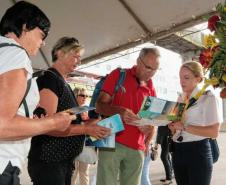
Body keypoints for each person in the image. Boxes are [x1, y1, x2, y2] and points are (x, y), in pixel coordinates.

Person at [0, 2, 73, 184]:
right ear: (25, 27)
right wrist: (53, 122)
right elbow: (2, 125)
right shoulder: (16, 55)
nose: (44, 42)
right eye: (42, 34)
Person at [27, 37, 111, 185]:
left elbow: (68, 119)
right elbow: (47, 125)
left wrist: (95, 123)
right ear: (60, 53)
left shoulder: (62, 82)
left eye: (80, 58)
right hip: (49, 161)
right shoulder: (50, 79)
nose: (79, 62)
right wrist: (86, 129)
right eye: (75, 57)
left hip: (61, 161)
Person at [96, 47, 160, 185]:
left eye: (155, 69)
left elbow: (152, 123)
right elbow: (99, 105)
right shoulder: (119, 74)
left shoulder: (151, 87)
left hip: (137, 147)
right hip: (110, 138)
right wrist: (120, 111)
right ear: (138, 61)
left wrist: (148, 129)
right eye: (148, 67)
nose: (151, 73)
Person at [168, 61, 220, 185]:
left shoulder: (208, 98)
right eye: (180, 77)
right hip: (178, 151)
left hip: (197, 151)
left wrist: (185, 127)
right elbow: (175, 128)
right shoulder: (180, 98)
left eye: (186, 77)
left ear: (198, 78)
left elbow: (214, 132)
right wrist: (172, 127)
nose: (182, 81)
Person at [72, 87, 91, 185]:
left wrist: (87, 120)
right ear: (76, 96)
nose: (85, 98)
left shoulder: (87, 110)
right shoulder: (70, 110)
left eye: (86, 96)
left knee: (84, 173)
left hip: (85, 145)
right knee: (73, 173)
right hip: (72, 145)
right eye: (82, 95)